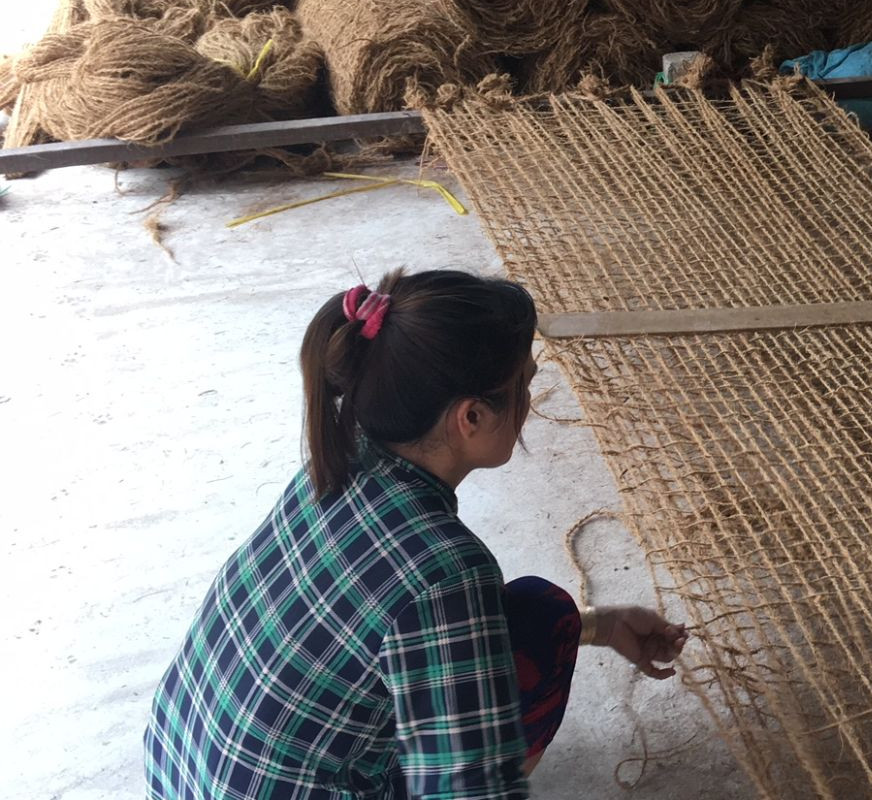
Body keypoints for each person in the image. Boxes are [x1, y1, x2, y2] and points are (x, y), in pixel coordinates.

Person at [146, 270, 688, 799]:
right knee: (544, 617)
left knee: (534, 615)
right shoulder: (446, 570)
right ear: (471, 418)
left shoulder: (336, 461)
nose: (530, 400)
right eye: (524, 384)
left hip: (180, 773)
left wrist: (601, 625)